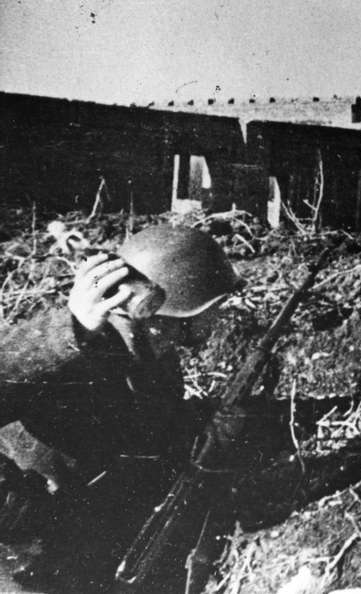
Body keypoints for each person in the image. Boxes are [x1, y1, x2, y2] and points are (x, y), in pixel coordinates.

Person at [0, 225, 240, 591]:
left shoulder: (156, 357)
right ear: (162, 311)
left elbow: (149, 437)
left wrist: (214, 424)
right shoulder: (63, 347)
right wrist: (17, 508)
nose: (219, 318)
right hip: (27, 557)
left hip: (95, 535)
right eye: (213, 308)